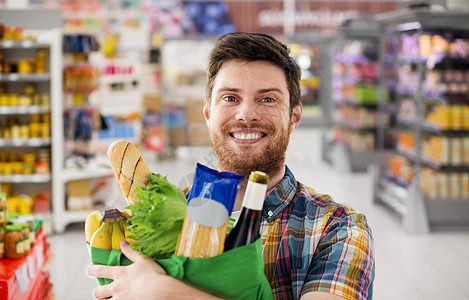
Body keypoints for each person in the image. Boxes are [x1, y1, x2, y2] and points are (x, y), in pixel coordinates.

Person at [88, 32, 375, 300]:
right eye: (230, 98)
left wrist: (165, 290)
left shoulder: (337, 227)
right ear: (208, 114)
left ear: (294, 118)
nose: (246, 114)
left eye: (267, 99)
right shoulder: (160, 215)